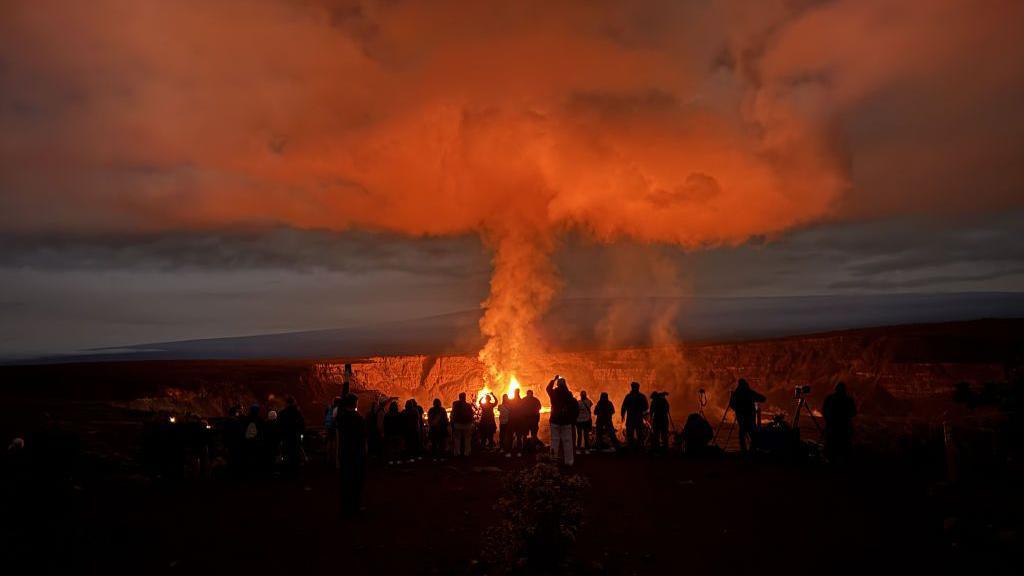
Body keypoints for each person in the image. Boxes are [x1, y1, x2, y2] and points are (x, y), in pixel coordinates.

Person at [336, 394, 366, 515]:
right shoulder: (358, 418)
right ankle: (355, 507)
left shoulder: (341, 418)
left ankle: (346, 507)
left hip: (344, 452)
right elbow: (363, 437)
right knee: (356, 481)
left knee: (345, 481)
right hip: (356, 453)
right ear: (355, 404)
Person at [823, 382, 857, 464]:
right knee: (844, 447)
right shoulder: (849, 400)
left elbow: (824, 411)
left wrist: (828, 420)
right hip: (844, 428)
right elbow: (853, 413)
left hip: (833, 427)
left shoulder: (830, 398)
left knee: (831, 446)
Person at [546, 376, 577, 466]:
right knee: (567, 442)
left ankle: (553, 461)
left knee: (554, 441)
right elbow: (573, 408)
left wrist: (554, 380)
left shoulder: (554, 393)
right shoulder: (569, 395)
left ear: (558, 384)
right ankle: (569, 462)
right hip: (566, 422)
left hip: (555, 421)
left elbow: (548, 388)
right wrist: (572, 419)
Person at [729, 378, 766, 453]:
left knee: (742, 435)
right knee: (753, 435)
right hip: (749, 417)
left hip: (741, 418)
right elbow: (762, 398)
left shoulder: (736, 393)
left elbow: (731, 404)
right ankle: (752, 450)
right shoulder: (748, 392)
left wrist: (737, 410)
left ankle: (744, 451)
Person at [277, 397, 305, 475]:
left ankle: (286, 469)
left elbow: (279, 425)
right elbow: (302, 424)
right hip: (294, 436)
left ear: (286, 403)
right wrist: (301, 434)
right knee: (294, 452)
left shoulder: (282, 413)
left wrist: (280, 435)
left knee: (285, 452)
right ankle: (294, 469)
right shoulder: (297, 412)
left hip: (285, 436)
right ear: (293, 402)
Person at [620, 382, 649, 450]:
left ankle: (631, 447)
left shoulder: (628, 397)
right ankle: (640, 447)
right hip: (638, 418)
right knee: (639, 433)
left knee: (630, 434)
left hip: (630, 419)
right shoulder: (642, 396)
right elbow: (646, 407)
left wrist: (623, 416)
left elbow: (623, 407)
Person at [451, 393, 475, 457]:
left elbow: (453, 414)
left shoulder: (455, 405)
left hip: (457, 424)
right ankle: (466, 453)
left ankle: (457, 453)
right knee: (467, 439)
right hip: (467, 425)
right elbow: (471, 414)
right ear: (465, 397)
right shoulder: (468, 405)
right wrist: (471, 423)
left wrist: (452, 422)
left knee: (457, 439)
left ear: (459, 397)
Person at [509, 389, 527, 455]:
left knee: (511, 436)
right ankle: (519, 451)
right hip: (519, 421)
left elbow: (509, 410)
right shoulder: (522, 401)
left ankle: (510, 451)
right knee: (519, 437)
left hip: (513, 421)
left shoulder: (511, 401)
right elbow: (524, 410)